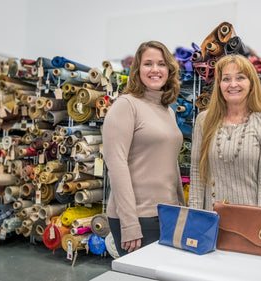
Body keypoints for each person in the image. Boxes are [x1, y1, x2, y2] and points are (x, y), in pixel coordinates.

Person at [102, 41, 186, 256]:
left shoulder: (168, 111)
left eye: (161, 64)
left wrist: (181, 208)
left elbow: (171, 163)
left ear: (169, 69)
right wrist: (129, 223)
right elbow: (116, 165)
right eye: (148, 64)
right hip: (138, 216)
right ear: (137, 70)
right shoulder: (126, 105)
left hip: (167, 213)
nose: (155, 70)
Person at [189, 54, 261, 210]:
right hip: (211, 223)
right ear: (218, 85)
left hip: (249, 223)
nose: (232, 84)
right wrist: (194, 217)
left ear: (251, 84)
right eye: (226, 79)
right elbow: (198, 174)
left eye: (240, 78)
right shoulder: (204, 121)